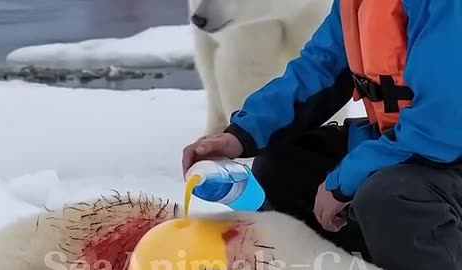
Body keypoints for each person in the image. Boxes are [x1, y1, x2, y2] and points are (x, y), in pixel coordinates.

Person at [182, 0, 462, 269]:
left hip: (445, 150)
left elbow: (442, 125)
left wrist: (345, 179)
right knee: (282, 166)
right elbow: (320, 69)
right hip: (406, 145)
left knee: (387, 197)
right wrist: (243, 134)